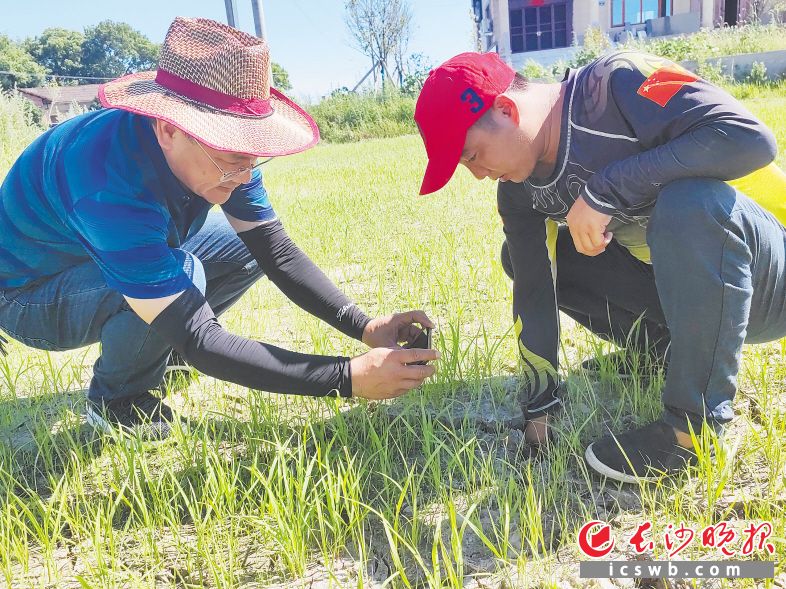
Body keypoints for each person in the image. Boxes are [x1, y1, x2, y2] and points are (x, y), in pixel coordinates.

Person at [0, 17, 438, 441]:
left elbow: (274, 251)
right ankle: (117, 399)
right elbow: (201, 338)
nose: (246, 176)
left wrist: (364, 326)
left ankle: (157, 355)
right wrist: (346, 378)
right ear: (170, 129)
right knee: (182, 272)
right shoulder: (103, 181)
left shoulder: (223, 154)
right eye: (234, 161)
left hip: (96, 256)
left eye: (254, 158)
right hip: (29, 295)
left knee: (240, 246)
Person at [413, 50, 786, 483]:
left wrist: (606, 190)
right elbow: (535, 293)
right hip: (690, 295)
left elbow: (748, 139)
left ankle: (692, 433)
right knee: (518, 257)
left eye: (472, 156)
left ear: (505, 109)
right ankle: (663, 354)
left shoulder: (618, 82)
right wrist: (539, 412)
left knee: (689, 202)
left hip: (766, 277)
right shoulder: (520, 193)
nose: (477, 175)